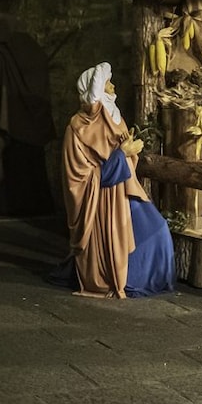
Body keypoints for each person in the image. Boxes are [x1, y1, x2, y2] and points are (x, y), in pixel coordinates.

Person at [55, 63, 173, 298]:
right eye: (109, 82)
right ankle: (124, 278)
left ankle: (149, 278)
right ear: (97, 88)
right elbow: (80, 179)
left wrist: (131, 152)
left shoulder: (113, 118)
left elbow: (123, 156)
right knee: (147, 234)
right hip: (101, 204)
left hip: (124, 192)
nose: (113, 86)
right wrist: (123, 154)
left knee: (158, 228)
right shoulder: (76, 129)